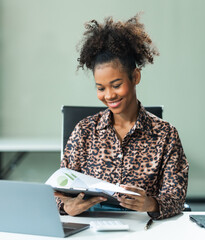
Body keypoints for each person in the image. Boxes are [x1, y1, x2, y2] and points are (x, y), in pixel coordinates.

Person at [54, 14, 189, 220]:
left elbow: (177, 197)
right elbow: (59, 191)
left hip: (144, 228)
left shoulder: (165, 135)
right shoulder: (85, 131)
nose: (109, 95)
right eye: (101, 88)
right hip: (91, 230)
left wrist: (150, 203)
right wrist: (67, 207)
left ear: (135, 77)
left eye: (116, 85)